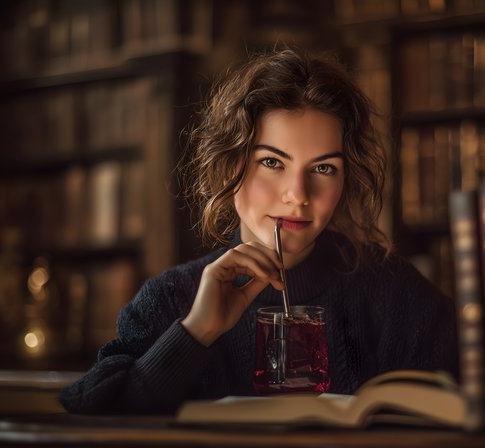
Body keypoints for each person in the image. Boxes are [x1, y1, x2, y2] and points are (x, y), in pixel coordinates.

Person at [59, 47, 458, 414]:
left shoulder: (393, 291)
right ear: (228, 165)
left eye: (323, 168)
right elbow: (89, 412)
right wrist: (198, 331)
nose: (298, 195)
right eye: (272, 162)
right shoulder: (168, 298)